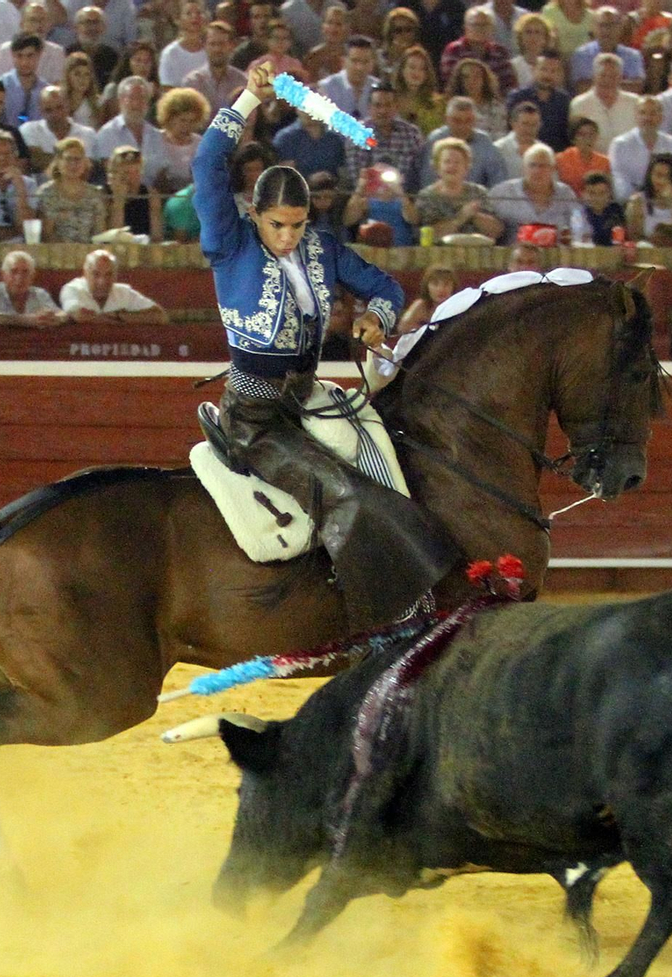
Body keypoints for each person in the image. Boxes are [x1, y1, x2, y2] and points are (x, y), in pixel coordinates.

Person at [194, 61, 453, 628]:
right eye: (277, 225)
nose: (287, 237)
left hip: (309, 396)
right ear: (254, 215)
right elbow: (206, 164)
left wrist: (376, 320)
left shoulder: (320, 246)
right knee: (344, 494)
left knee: (392, 461)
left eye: (296, 223)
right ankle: (381, 622)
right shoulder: (229, 242)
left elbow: (384, 287)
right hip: (255, 415)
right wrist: (247, 101)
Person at [414, 135, 502, 240]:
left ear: (467, 166)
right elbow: (429, 236)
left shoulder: (479, 192)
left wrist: (475, 215)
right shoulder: (427, 196)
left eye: (457, 162)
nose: (452, 166)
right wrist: (461, 218)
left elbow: (496, 232)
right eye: (447, 162)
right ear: (437, 166)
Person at [487, 141, 578, 241]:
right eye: (532, 165)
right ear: (523, 168)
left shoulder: (565, 193)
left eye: (542, 166)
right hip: (511, 254)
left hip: (555, 254)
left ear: (553, 169)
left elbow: (577, 226)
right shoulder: (502, 191)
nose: (537, 171)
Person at [608, 92, 672, 200]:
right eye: (642, 113)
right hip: (634, 203)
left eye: (653, 113)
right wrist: (636, 201)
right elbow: (620, 179)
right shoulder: (621, 144)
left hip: (670, 201)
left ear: (661, 117)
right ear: (635, 116)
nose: (647, 118)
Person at [90, 75, 166, 189]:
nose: (136, 104)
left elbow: (161, 173)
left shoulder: (157, 135)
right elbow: (109, 173)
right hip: (118, 197)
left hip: (150, 198)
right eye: (131, 98)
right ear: (120, 100)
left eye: (142, 98)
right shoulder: (107, 134)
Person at [60, 246, 169, 323]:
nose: (102, 281)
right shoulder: (72, 289)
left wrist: (119, 315)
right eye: (96, 274)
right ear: (85, 273)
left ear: (115, 275)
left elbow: (160, 316)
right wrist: (126, 320)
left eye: (108, 274)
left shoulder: (123, 292)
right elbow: (79, 316)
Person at [421, 94, 508, 187]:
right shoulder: (435, 139)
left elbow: (498, 180)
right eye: (456, 121)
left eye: (468, 121)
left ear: (475, 121)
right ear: (446, 119)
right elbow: (427, 180)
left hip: (476, 197)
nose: (462, 126)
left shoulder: (484, 142)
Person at [35, 133, 105, 240]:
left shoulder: (95, 193)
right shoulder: (47, 192)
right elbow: (46, 234)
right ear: (58, 162)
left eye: (77, 159)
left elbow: (99, 232)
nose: (73, 164)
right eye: (68, 159)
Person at [0, 247, 65, 325]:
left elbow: (62, 314)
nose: (19, 278)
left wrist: (55, 318)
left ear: (33, 276)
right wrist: (27, 320)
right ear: (3, 275)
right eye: (13, 271)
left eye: (25, 272)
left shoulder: (40, 294)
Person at [569, 52, 638, 150]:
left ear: (621, 78)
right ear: (594, 76)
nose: (607, 80)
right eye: (603, 75)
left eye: (613, 76)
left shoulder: (635, 103)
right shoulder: (579, 104)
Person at [505, 47, 569, 150]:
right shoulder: (517, 97)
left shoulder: (563, 100)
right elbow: (509, 130)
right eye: (544, 69)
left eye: (553, 71)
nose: (547, 75)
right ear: (534, 69)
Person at [440, 7, 515, 94]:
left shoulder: (500, 52)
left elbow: (508, 84)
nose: (480, 29)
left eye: (485, 25)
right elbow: (450, 83)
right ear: (465, 27)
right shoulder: (454, 50)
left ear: (492, 28)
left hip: (494, 103)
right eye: (475, 25)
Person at [569, 6, 643, 93]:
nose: (606, 30)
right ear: (593, 27)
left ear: (620, 27)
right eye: (602, 25)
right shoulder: (582, 54)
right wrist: (619, 84)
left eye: (611, 25)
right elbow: (582, 87)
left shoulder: (633, 56)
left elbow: (636, 87)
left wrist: (599, 84)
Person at [19, 82, 91, 171]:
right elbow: (34, 161)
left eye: (59, 107)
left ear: (68, 106)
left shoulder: (88, 134)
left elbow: (88, 167)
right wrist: (75, 161)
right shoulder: (28, 130)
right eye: (48, 110)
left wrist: (44, 157)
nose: (55, 114)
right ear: (40, 110)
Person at [624, 151, 672, 242]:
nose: (662, 181)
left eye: (667, 176)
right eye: (658, 175)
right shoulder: (637, 201)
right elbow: (633, 237)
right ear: (650, 175)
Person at [184, 19, 244, 115]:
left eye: (221, 44)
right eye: (212, 44)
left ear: (231, 46)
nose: (217, 49)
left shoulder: (242, 81)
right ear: (205, 46)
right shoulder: (193, 83)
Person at [102, 142, 161, 239]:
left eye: (136, 172)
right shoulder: (104, 195)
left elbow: (157, 235)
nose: (132, 177)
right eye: (126, 172)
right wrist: (119, 200)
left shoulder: (150, 195)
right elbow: (112, 236)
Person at [156, 85, 207, 192]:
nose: (187, 126)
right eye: (182, 120)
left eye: (191, 121)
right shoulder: (155, 140)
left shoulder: (201, 144)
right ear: (170, 118)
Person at [274, 111, 344, 183]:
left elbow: (343, 172)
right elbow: (279, 177)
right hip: (298, 192)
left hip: (334, 191)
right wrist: (308, 181)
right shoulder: (285, 138)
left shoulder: (335, 139)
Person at [390, 43, 443, 135]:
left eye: (422, 69)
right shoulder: (390, 99)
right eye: (412, 67)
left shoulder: (438, 104)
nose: (416, 72)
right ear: (402, 70)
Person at [446, 57, 506, 138]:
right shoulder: (451, 107)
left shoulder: (497, 106)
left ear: (484, 79)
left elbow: (501, 134)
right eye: (466, 77)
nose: (471, 81)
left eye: (476, 76)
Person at [554, 114, 606, 195]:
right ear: (573, 138)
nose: (588, 139)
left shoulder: (604, 162)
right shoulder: (560, 160)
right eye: (582, 135)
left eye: (591, 134)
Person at [396, 261, 455, 331]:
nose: (441, 289)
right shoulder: (420, 305)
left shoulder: (460, 307)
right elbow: (403, 328)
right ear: (427, 286)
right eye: (435, 284)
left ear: (453, 286)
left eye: (446, 284)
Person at [494, 99, 543, 181]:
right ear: (513, 123)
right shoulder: (498, 150)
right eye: (525, 124)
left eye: (534, 125)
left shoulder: (543, 151)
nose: (529, 129)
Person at [302, 2, 346, 82]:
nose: (333, 28)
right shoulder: (314, 56)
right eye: (330, 23)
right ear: (323, 27)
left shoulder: (351, 55)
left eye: (338, 24)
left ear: (346, 28)